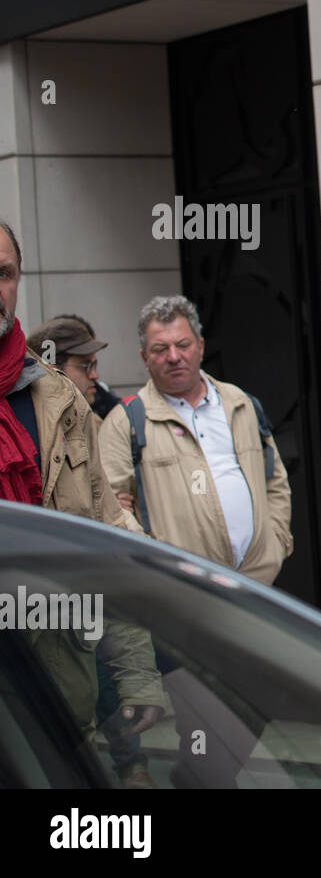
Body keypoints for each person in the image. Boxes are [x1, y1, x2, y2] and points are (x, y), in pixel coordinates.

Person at [0, 220, 164, 786]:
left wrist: (136, 676)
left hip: (58, 712)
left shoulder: (59, 399)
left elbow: (105, 545)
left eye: (4, 273)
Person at [26, 312, 151, 784]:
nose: (95, 375)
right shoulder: (49, 412)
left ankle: (131, 765)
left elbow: (109, 536)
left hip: (79, 621)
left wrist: (140, 680)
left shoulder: (86, 414)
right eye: (85, 365)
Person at [98, 294, 293, 586]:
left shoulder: (240, 403)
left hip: (255, 584)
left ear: (200, 347)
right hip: (179, 593)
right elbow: (111, 508)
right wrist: (156, 567)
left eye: (183, 345)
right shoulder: (124, 421)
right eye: (160, 349)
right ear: (144, 358)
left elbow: (274, 479)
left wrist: (276, 542)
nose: (174, 357)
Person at [25, 314, 124, 420]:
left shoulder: (104, 409)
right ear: (53, 370)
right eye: (85, 365)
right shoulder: (31, 421)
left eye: (94, 365)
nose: (95, 375)